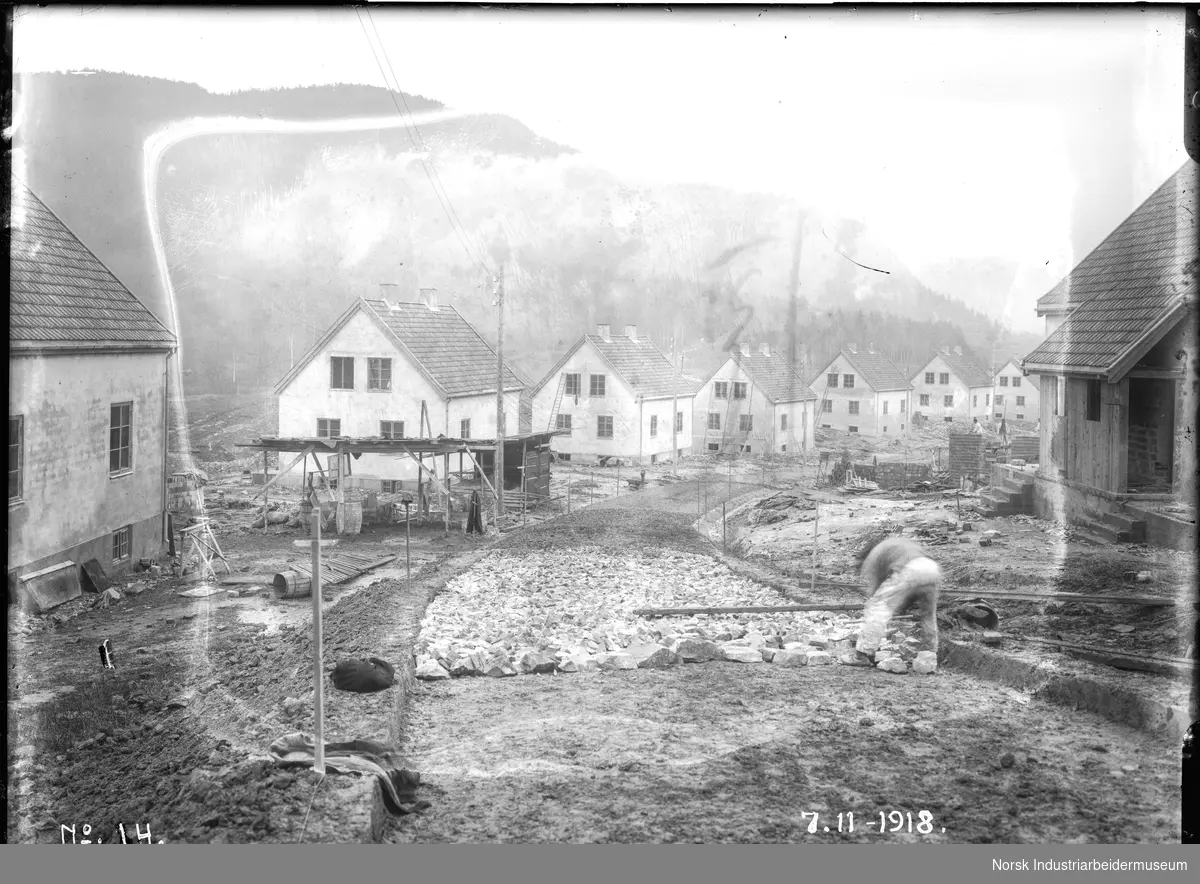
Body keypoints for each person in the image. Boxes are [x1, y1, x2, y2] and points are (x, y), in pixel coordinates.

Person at [852, 536, 941, 665]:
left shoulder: (875, 553)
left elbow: (877, 588)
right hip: (932, 568)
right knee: (929, 615)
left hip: (911, 569)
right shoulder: (898, 544)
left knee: (876, 606)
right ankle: (930, 655)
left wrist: (877, 604)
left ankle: (863, 654)